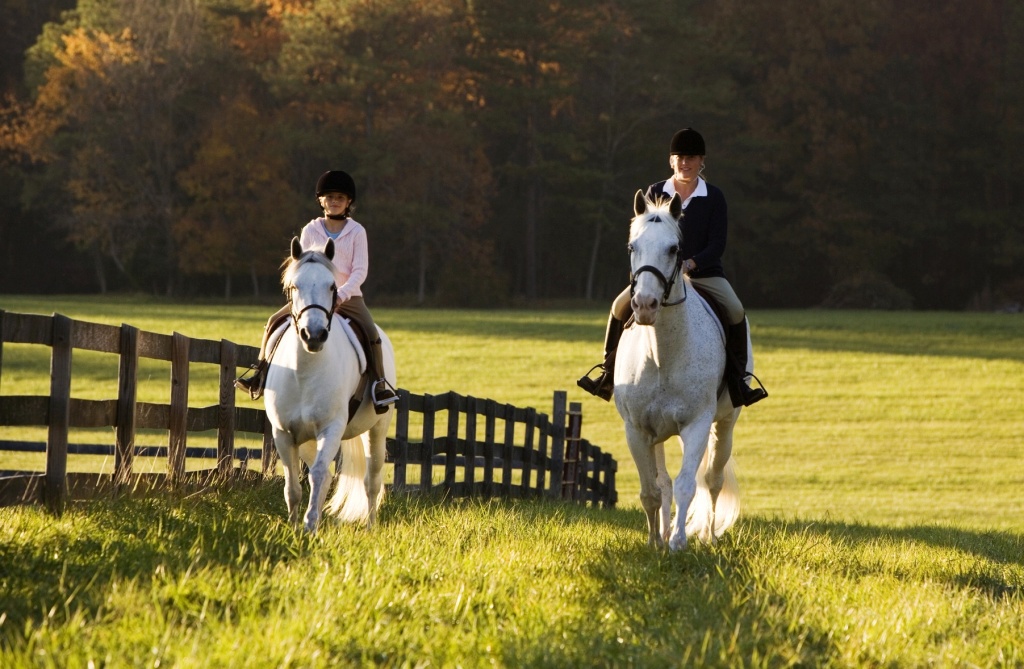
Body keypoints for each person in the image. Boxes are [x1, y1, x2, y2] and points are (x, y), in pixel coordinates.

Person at [577, 128, 767, 407]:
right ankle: (606, 373)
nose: (684, 163)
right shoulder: (656, 192)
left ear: (702, 161)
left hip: (703, 274)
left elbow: (717, 244)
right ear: (671, 160)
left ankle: (739, 382)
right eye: (679, 158)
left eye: (691, 158)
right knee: (618, 307)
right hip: (659, 275)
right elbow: (643, 236)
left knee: (736, 311)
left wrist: (691, 263)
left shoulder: (714, 197)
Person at [235, 170, 399, 412]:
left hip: (349, 297)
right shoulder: (310, 230)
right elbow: (302, 267)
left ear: (348, 202)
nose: (335, 202)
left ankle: (379, 385)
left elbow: (360, 271)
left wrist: (341, 294)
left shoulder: (357, 232)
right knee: (272, 322)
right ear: (321, 200)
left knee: (371, 333)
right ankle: (260, 373)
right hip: (313, 298)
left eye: (340, 198)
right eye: (330, 197)